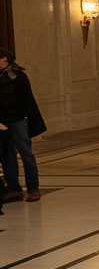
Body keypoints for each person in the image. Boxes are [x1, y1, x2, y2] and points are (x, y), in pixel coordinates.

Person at [0, 48, 45, 203]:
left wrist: (13, 120)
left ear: (5, 59)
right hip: (3, 124)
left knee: (26, 154)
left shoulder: (18, 76)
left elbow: (25, 101)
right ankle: (14, 188)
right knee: (6, 156)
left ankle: (33, 188)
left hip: (19, 121)